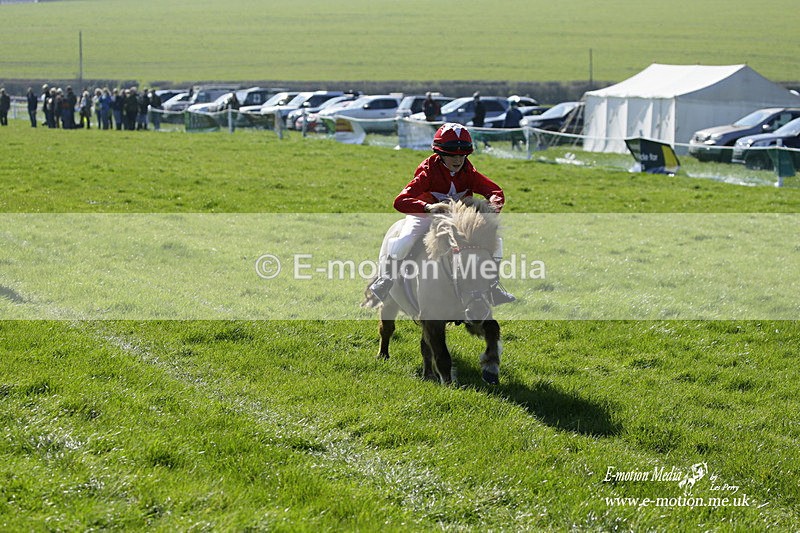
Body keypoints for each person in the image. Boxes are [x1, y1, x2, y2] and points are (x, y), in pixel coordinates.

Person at [368, 122, 515, 305]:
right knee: (405, 240)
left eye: (463, 155)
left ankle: (493, 287)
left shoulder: (469, 172)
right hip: (425, 215)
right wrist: (427, 208)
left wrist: (489, 210)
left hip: (457, 220)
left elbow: (496, 192)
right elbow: (400, 201)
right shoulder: (428, 172)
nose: (458, 160)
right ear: (440, 153)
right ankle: (386, 279)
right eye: (452, 155)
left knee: (496, 242)